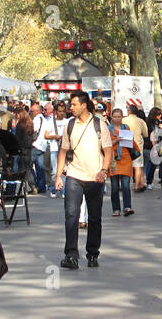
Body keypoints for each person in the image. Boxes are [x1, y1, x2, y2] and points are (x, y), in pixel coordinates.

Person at [54, 89, 114, 269]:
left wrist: (103, 170)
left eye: (74, 104)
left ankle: (92, 254)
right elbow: (63, 151)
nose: (70, 108)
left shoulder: (99, 124)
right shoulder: (69, 125)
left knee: (94, 218)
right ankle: (71, 255)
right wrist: (58, 176)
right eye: (70, 105)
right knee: (71, 215)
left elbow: (108, 150)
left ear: (84, 105)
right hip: (74, 175)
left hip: (95, 176)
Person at [108, 108, 137, 217]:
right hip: (113, 160)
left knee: (125, 185)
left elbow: (131, 142)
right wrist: (116, 140)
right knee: (114, 186)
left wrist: (129, 139)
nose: (117, 119)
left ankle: (127, 207)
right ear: (111, 117)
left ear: (122, 117)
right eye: (115, 117)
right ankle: (116, 209)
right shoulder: (108, 129)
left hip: (126, 158)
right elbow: (106, 144)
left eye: (119, 117)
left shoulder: (126, 128)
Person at [30, 101, 57, 196]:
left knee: (27, 165)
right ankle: (41, 186)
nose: (31, 113)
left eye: (32, 111)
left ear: (36, 111)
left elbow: (33, 130)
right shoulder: (44, 119)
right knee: (40, 167)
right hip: (42, 146)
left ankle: (34, 185)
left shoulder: (37, 119)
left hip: (35, 145)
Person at [126, 100, 151, 191]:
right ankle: (137, 186)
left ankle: (123, 185)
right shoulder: (141, 121)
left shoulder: (123, 120)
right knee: (137, 166)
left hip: (125, 146)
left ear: (129, 111)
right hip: (137, 147)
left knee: (124, 166)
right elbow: (145, 134)